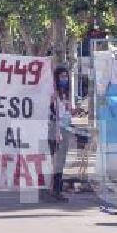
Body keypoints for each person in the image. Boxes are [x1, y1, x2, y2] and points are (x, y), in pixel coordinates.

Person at [46, 66, 73, 202]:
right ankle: (50, 189)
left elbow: (66, 113)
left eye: (66, 77)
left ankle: (57, 189)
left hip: (65, 129)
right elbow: (50, 110)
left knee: (60, 162)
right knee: (53, 160)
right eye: (62, 77)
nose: (65, 79)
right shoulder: (53, 94)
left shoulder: (65, 94)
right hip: (54, 130)